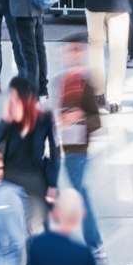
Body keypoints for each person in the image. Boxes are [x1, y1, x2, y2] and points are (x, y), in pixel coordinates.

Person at [0, 77, 60, 229]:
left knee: (44, 216)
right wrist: (5, 120)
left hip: (34, 176)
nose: (11, 101)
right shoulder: (10, 121)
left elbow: (55, 152)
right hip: (10, 177)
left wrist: (53, 184)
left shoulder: (44, 118)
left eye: (15, 98)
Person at [56, 42, 104, 254]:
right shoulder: (63, 81)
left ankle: (94, 242)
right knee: (77, 194)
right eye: (69, 50)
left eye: (76, 50)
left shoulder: (85, 83)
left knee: (80, 195)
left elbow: (96, 121)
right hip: (65, 148)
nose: (72, 55)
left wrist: (79, 117)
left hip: (78, 151)